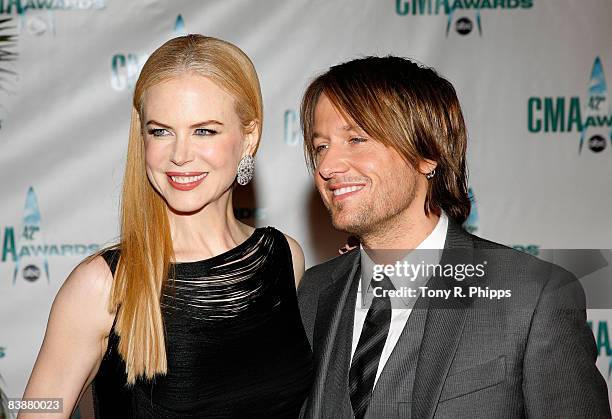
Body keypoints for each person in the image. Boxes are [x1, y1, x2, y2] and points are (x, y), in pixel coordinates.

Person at [297, 56, 610, 418]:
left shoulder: (533, 295)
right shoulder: (314, 293)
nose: (327, 166)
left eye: (356, 138)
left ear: (427, 154)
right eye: (321, 146)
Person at [21, 34, 313, 418]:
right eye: (161, 131)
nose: (180, 155)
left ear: (249, 137)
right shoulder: (104, 285)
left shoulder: (283, 258)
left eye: (204, 130)